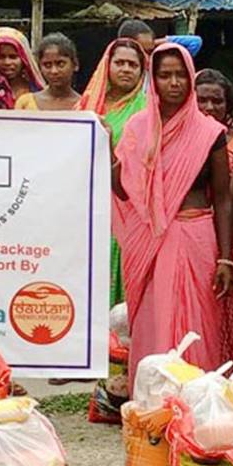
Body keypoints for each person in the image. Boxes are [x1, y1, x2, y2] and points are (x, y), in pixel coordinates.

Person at [115, 40, 233, 371]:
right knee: (151, 321)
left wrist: (226, 257)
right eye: (165, 75)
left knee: (197, 325)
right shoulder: (138, 128)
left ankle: (194, 402)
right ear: (152, 81)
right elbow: (122, 189)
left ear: (191, 78)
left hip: (194, 236)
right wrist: (115, 152)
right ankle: (152, 405)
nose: (174, 83)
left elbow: (223, 198)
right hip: (148, 241)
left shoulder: (210, 131)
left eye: (181, 75)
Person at [79, 36, 150, 306]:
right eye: (119, 63)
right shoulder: (88, 106)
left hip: (127, 203)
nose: (126, 69)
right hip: (86, 203)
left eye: (133, 65)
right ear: (107, 66)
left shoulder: (147, 110)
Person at [0, 26, 45, 108]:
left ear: (23, 59)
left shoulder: (36, 91)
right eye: (1, 57)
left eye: (13, 57)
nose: (7, 62)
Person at [32, 33, 82, 111]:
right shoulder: (26, 103)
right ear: (40, 68)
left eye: (60, 64)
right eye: (47, 65)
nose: (54, 71)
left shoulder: (85, 105)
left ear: (75, 65)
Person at [195, 67, 233, 138]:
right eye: (202, 101)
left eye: (217, 101)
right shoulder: (176, 137)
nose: (209, 107)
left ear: (228, 105)